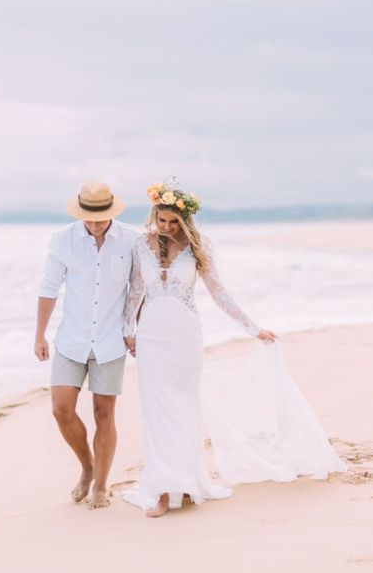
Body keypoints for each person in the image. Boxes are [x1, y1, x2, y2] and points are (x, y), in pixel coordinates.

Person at [122, 181, 346, 518]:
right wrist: (128, 331)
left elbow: (220, 294)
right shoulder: (142, 245)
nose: (167, 227)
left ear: (185, 220)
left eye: (173, 221)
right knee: (155, 413)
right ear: (155, 215)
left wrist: (254, 328)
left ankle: (183, 483)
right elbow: (135, 291)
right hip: (151, 335)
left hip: (184, 336)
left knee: (184, 409)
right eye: (162, 220)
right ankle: (162, 491)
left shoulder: (198, 249)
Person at [35, 181, 138, 509]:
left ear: (111, 212)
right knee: (61, 409)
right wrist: (40, 334)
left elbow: (139, 290)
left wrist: (134, 328)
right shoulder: (62, 240)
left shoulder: (132, 241)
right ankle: (87, 467)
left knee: (104, 413)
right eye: (89, 219)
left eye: (100, 219)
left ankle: (102, 484)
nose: (94, 225)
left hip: (111, 340)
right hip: (71, 339)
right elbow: (49, 288)